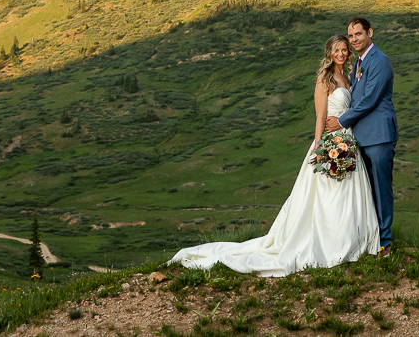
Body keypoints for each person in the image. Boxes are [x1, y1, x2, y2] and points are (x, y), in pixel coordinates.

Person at [168, 35, 379, 275]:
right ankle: (329, 244)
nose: (341, 53)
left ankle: (351, 241)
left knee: (349, 195)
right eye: (336, 50)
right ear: (329, 53)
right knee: (327, 196)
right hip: (330, 143)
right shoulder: (325, 79)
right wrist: (320, 149)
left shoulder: (349, 77)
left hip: (348, 141)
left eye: (344, 49)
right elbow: (320, 117)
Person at [325, 16, 397, 256]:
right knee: (367, 192)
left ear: (370, 33)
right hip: (360, 138)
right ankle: (369, 239)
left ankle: (384, 243)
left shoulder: (380, 61)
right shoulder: (358, 63)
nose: (355, 39)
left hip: (378, 136)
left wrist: (341, 121)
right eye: (351, 35)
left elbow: (369, 100)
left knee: (381, 189)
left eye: (359, 34)